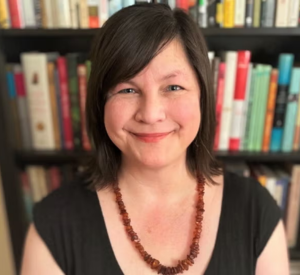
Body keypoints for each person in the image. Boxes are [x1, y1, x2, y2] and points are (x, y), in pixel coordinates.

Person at [21, 3, 289, 275]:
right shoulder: (54, 224)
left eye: (173, 87)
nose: (150, 114)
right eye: (127, 89)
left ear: (202, 96)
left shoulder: (255, 210)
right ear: (101, 103)